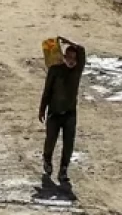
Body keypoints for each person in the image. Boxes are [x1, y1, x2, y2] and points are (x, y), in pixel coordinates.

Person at [39, 36, 85, 186]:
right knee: (50, 140)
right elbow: (47, 91)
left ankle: (63, 169)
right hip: (54, 113)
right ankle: (47, 160)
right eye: (69, 56)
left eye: (74, 57)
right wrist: (42, 109)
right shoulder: (55, 70)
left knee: (68, 144)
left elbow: (82, 50)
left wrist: (70, 42)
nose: (72, 60)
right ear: (64, 57)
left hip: (70, 113)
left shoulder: (77, 71)